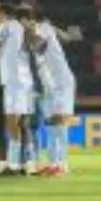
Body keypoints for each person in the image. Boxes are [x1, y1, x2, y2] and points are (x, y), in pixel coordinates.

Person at [0, 0, 34, 175]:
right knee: (20, 121)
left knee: (11, 120)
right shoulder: (20, 27)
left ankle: (12, 165)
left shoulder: (3, 27)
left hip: (12, 79)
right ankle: (22, 164)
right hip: (24, 77)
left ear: (2, 13)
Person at [23, 9, 76, 176]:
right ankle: (53, 163)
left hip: (62, 82)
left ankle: (62, 164)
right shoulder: (41, 29)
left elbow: (39, 45)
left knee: (60, 124)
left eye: (23, 20)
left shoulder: (43, 28)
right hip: (50, 83)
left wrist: (31, 30)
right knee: (52, 125)